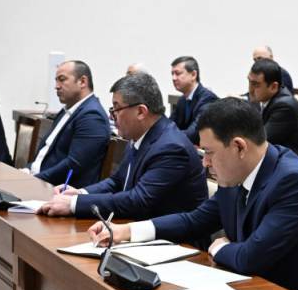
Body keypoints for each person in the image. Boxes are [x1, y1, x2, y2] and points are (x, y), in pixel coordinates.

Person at [87, 97, 298, 290]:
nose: (204, 163)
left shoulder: (295, 182)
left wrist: (219, 247)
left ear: (239, 147)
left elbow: (250, 257)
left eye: (209, 152)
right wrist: (127, 231)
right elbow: (195, 221)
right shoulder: (237, 174)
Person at [38, 72, 207, 219]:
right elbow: (117, 181)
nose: (112, 117)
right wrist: (80, 193)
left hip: (174, 241)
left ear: (141, 112)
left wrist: (74, 204)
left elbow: (138, 200)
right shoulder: (139, 136)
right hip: (136, 227)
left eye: (116, 109)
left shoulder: (171, 147)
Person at [26, 60, 111, 189]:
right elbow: (44, 153)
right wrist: (27, 171)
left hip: (59, 191)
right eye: (56, 81)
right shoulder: (67, 110)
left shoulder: (92, 116)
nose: (56, 86)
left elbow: (74, 164)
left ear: (82, 82)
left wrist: (34, 180)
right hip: (40, 181)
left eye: (62, 79)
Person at [247, 58, 298, 159]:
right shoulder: (263, 99)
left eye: (255, 84)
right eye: (249, 82)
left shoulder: (285, 106)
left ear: (273, 87)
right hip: (280, 156)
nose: (250, 89)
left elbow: (261, 142)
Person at [169, 56, 218, 144]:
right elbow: (169, 125)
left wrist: (167, 136)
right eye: (172, 74)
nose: (173, 78)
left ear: (193, 75)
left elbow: (194, 134)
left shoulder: (208, 99)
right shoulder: (182, 100)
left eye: (177, 73)